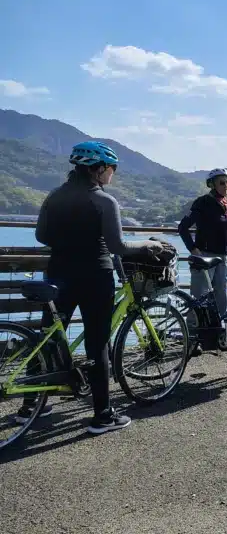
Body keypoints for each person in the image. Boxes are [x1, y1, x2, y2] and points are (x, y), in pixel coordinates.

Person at [26, 141, 163, 434]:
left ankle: (31, 407)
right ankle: (102, 415)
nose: (113, 173)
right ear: (98, 169)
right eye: (111, 168)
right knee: (97, 343)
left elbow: (40, 235)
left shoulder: (54, 196)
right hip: (94, 277)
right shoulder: (104, 201)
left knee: (47, 339)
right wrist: (149, 244)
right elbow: (118, 246)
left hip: (58, 274)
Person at [178, 168, 227, 355]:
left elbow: (225, 234)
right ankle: (192, 341)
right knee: (199, 299)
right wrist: (192, 249)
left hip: (223, 257)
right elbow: (183, 227)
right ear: (212, 184)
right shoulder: (203, 203)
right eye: (222, 182)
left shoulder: (225, 204)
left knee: (220, 298)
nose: (226, 186)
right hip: (205, 258)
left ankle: (216, 337)